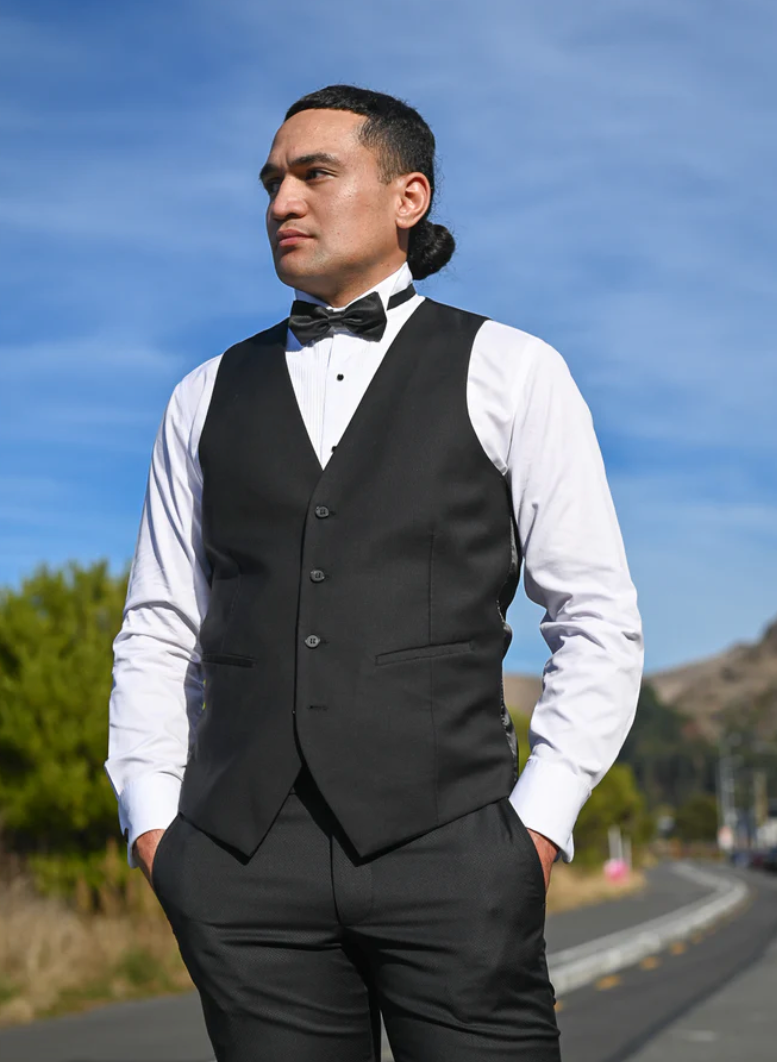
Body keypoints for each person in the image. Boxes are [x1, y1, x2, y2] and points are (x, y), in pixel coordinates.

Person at [105, 84, 644, 1061]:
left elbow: (595, 616)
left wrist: (535, 828)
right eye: (271, 181)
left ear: (408, 197)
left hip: (456, 856)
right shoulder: (201, 396)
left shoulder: (513, 369)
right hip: (242, 866)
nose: (281, 202)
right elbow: (158, 627)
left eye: (314, 174)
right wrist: (154, 824)